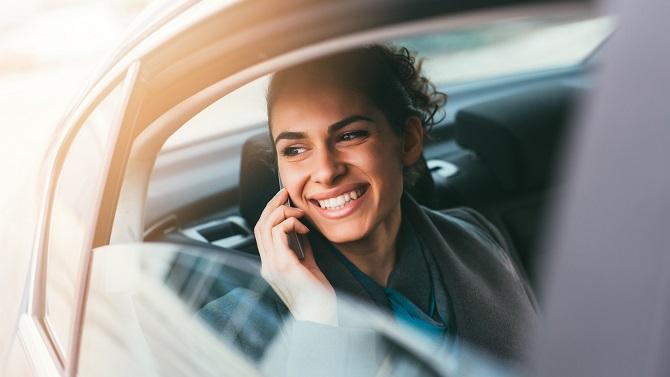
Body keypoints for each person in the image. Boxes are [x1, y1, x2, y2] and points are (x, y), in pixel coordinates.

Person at [199, 45, 538, 372]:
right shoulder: (234, 323)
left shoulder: (475, 236)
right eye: (295, 149)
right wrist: (315, 316)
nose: (326, 171)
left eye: (349, 135)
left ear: (408, 141)